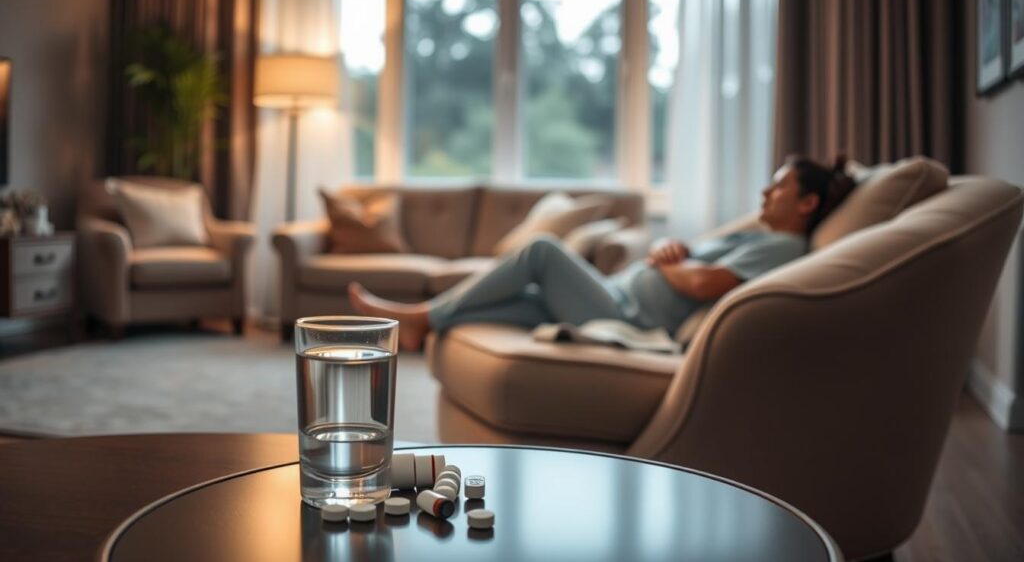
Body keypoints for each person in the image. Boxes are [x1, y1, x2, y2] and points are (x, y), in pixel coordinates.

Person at [349, 154, 856, 350]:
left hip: (626, 315)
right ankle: (430, 325)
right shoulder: (760, 235)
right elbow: (679, 256)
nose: (766, 194)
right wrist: (666, 250)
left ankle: (418, 316)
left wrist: (671, 262)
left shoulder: (784, 248)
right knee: (496, 311)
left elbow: (704, 283)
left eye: (778, 188)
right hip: (615, 295)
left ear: (807, 202)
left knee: (542, 252)